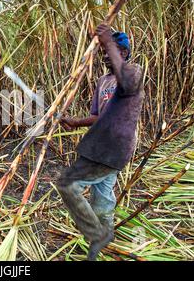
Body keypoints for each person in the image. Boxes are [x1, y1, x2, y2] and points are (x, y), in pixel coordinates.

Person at [57, 24, 144, 260]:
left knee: (66, 184)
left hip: (114, 148)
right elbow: (98, 115)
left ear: (123, 52)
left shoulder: (133, 72)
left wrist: (106, 40)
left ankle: (97, 234)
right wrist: (75, 122)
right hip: (100, 145)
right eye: (104, 51)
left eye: (111, 50)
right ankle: (106, 234)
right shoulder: (103, 81)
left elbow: (126, 84)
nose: (105, 54)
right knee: (103, 196)